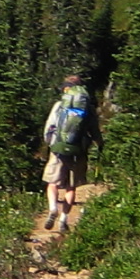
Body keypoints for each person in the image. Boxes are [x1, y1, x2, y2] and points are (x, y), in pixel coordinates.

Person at [39, 74, 93, 233]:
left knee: (52, 182)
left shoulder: (59, 105)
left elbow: (49, 126)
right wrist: (98, 144)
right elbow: (94, 131)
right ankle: (63, 219)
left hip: (58, 147)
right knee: (71, 187)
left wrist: (49, 143)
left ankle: (53, 208)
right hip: (78, 150)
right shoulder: (87, 108)